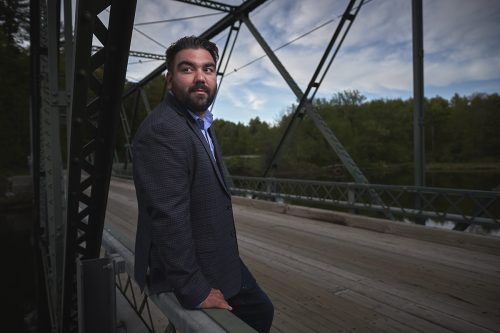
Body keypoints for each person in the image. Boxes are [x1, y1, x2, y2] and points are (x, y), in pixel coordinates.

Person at [132, 36, 274, 333]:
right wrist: (194, 289)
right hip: (195, 268)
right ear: (170, 80)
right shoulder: (164, 130)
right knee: (259, 313)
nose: (201, 78)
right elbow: (168, 218)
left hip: (216, 255)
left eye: (208, 69)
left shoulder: (197, 121)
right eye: (188, 69)